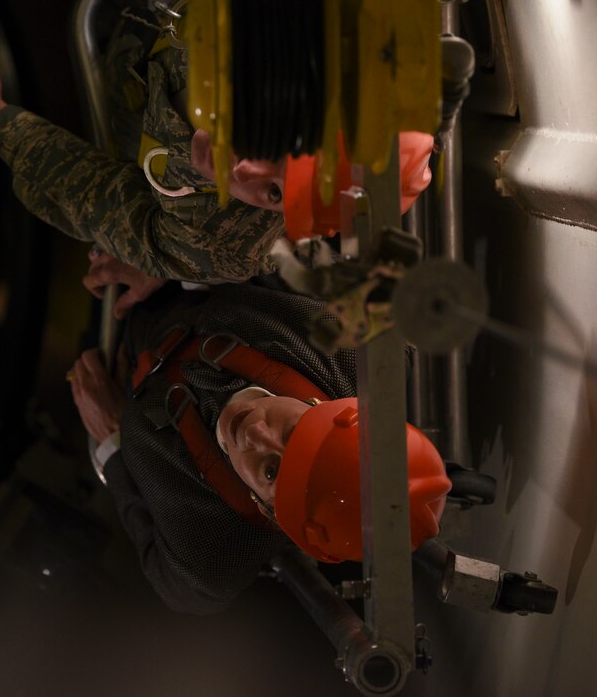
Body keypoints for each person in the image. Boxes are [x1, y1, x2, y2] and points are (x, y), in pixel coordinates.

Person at [0, 0, 435, 284]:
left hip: (102, 91)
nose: (240, 171)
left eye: (275, 193)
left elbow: (95, 198)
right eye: (277, 145)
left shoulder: (223, 241)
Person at [67, 256, 451, 613]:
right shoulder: (355, 350)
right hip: (194, 262)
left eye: (271, 470)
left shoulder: (210, 554)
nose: (256, 431)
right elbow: (285, 249)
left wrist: (113, 443)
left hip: (113, 354)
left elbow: (174, 582)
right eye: (294, 428)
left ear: (270, 511)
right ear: (331, 409)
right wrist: (172, 258)